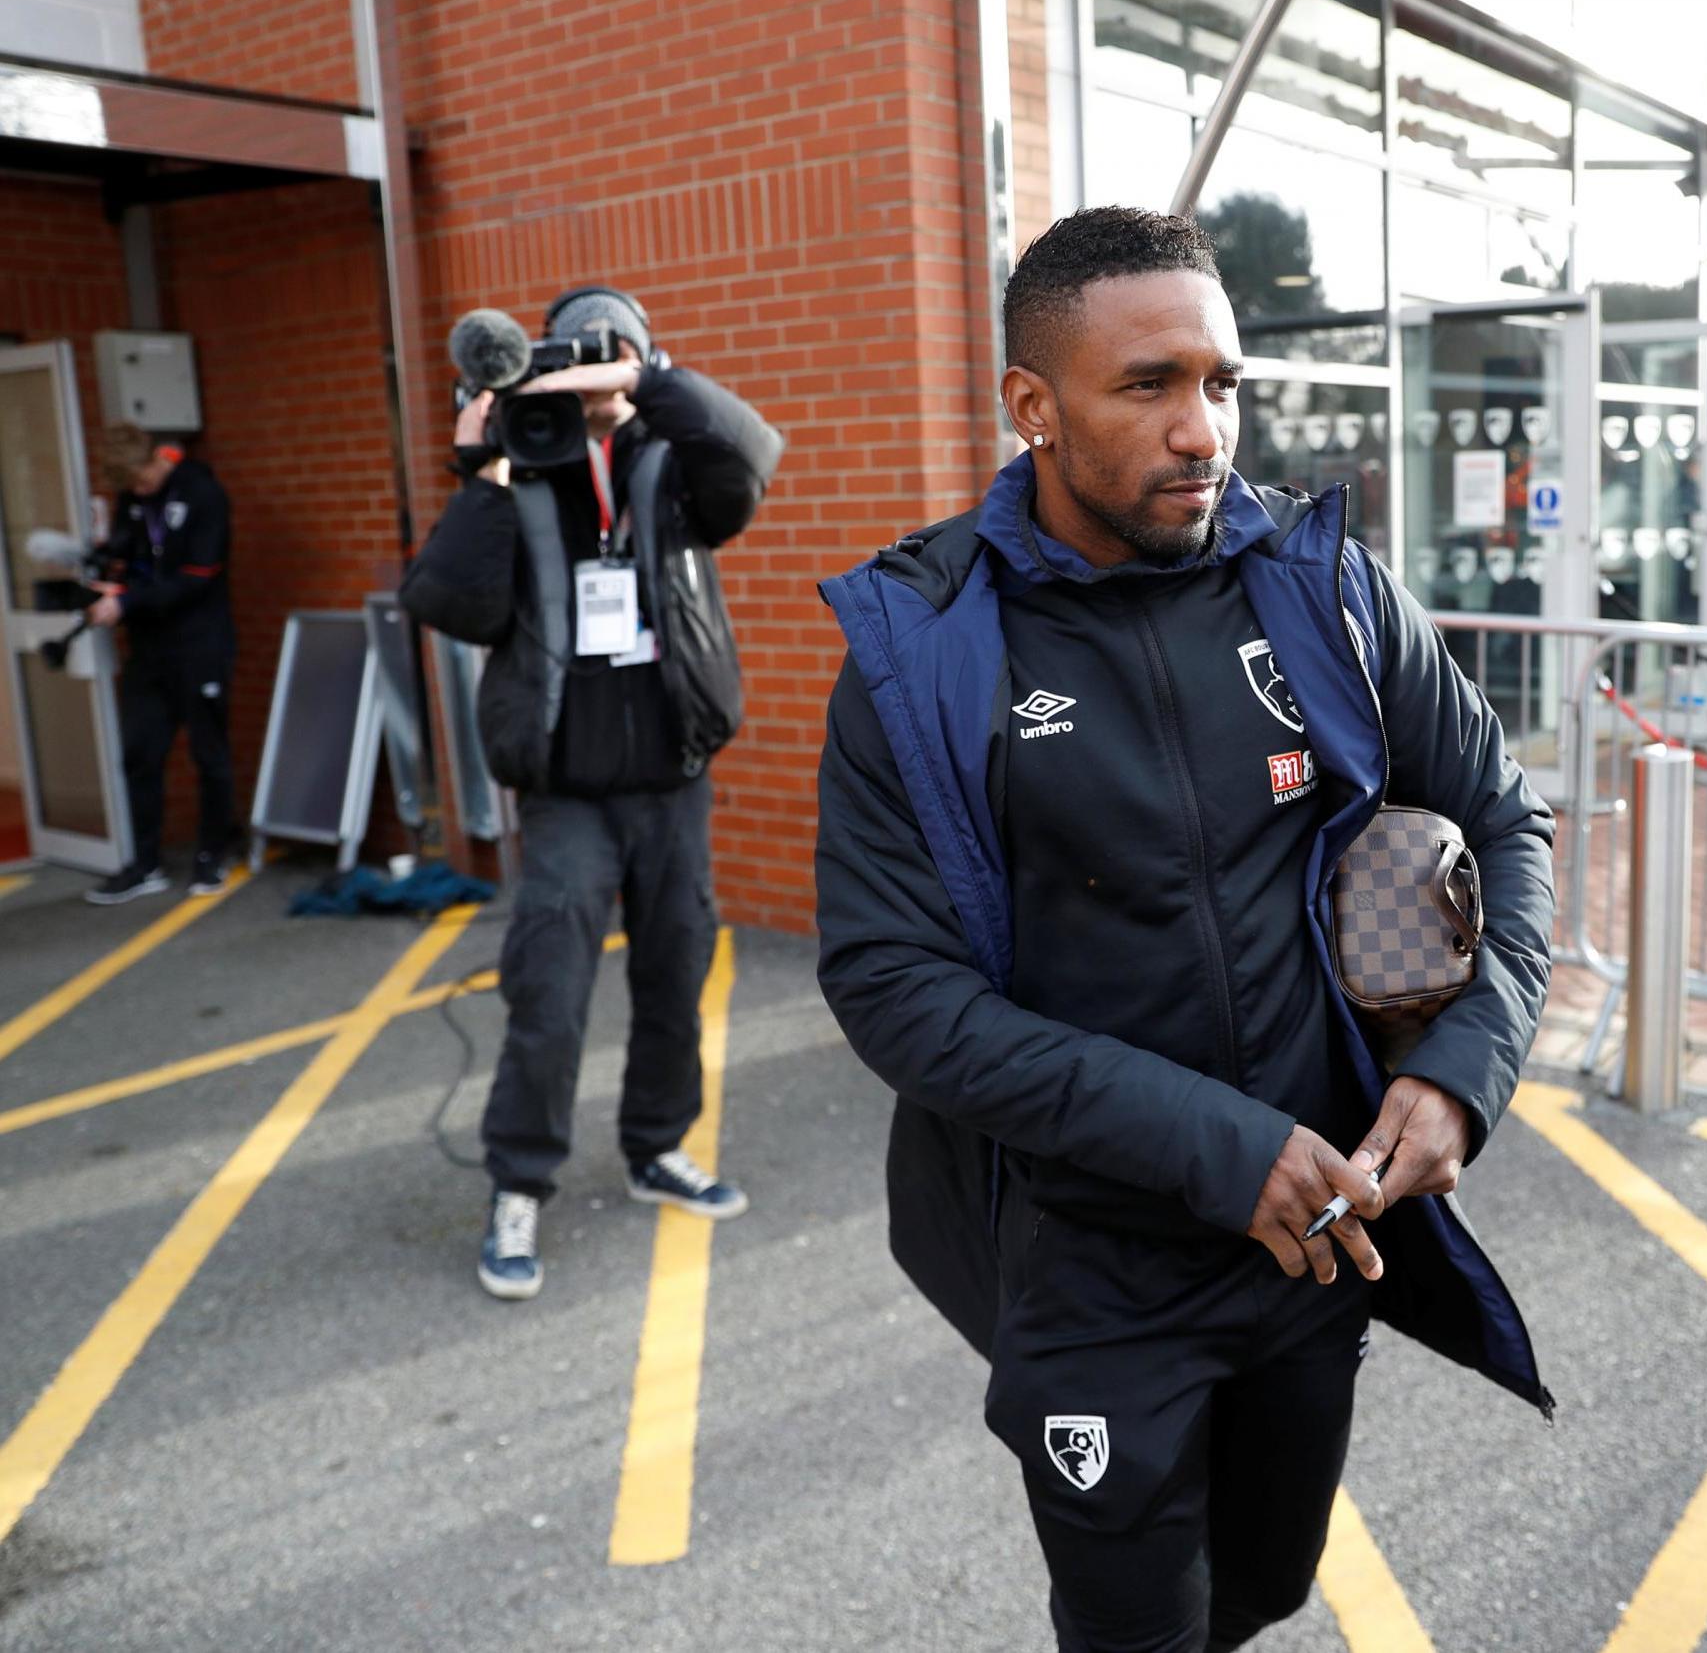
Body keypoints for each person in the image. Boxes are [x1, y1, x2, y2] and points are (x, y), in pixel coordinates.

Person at [813, 207, 1555, 1653]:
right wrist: (1220, 1148)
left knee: (1264, 1588)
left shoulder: (1324, 591)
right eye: (1147, 385)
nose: (1202, 427)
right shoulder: (930, 647)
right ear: (1033, 406)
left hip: (1316, 1244)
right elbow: (893, 987)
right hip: (1097, 1267)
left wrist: (1467, 1066)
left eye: (1219, 383)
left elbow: (1506, 819)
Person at [400, 286, 786, 1300]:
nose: (590, 376)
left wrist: (645, 387)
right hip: (567, 791)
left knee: (676, 977)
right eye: (576, 357)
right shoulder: (526, 468)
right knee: (549, 995)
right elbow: (446, 600)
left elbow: (754, 458)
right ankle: (519, 1182)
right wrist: (486, 467)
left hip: (672, 781)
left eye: (611, 355)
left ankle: (658, 1145)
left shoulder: (675, 469)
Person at [83, 425, 237, 904]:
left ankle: (213, 853)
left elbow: (198, 576)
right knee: (139, 753)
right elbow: (125, 555)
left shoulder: (201, 492)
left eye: (143, 482)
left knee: (208, 752)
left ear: (156, 460)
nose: (139, 492)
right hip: (149, 650)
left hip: (199, 643)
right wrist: (104, 568)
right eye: (131, 487)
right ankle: (145, 862)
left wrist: (128, 604)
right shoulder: (131, 499)